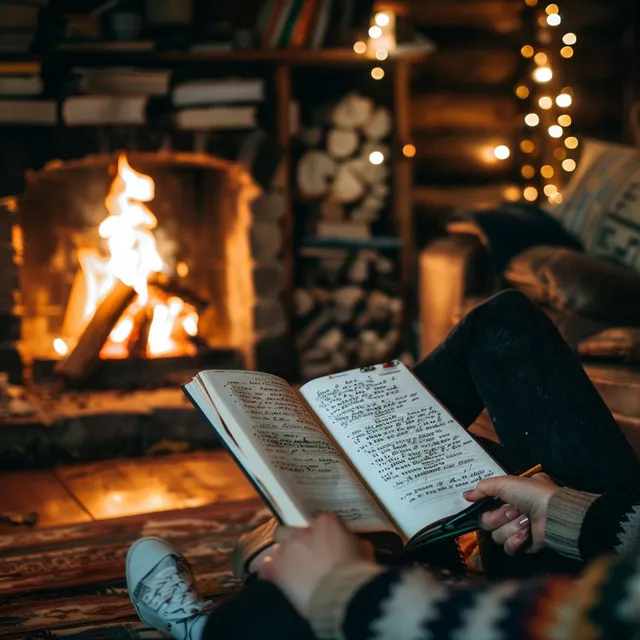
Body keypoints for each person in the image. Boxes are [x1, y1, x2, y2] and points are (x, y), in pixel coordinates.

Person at [125, 290, 640, 639]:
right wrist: (572, 513)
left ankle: (212, 630)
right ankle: (350, 486)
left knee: (308, 593)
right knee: (506, 319)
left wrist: (344, 587)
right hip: (616, 529)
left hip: (590, 592)